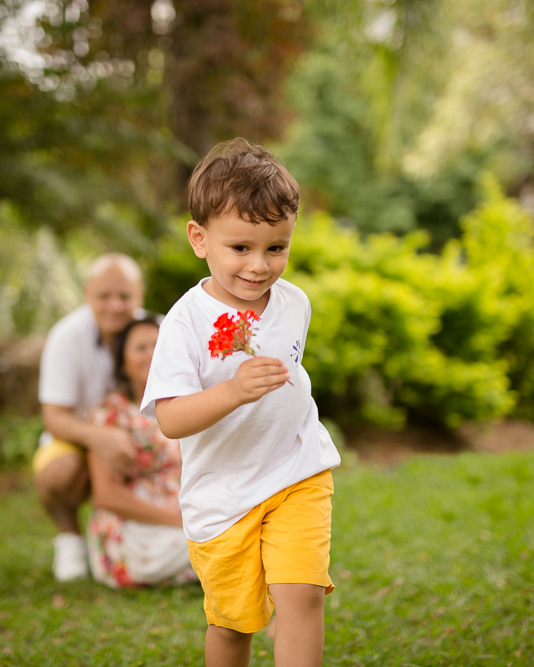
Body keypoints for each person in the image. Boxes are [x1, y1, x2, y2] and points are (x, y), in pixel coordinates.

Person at [140, 138, 341, 667]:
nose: (259, 266)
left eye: (276, 248)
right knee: (233, 623)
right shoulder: (185, 322)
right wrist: (231, 391)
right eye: (241, 248)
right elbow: (169, 418)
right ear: (199, 239)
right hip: (222, 499)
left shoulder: (295, 302)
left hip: (297, 472)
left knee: (301, 594)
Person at [35, 253, 145, 581]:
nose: (114, 305)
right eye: (104, 296)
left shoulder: (155, 328)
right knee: (60, 472)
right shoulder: (66, 336)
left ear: (139, 295)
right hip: (79, 439)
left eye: (124, 296)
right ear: (87, 295)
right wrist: (101, 438)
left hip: (144, 435)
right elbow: (54, 417)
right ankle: (69, 538)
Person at [85, 315, 197, 588]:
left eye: (158, 346)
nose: (151, 354)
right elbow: (106, 494)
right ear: (122, 362)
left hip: (187, 516)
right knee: (222, 543)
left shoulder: (188, 403)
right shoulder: (110, 412)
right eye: (140, 348)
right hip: (138, 529)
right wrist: (177, 521)